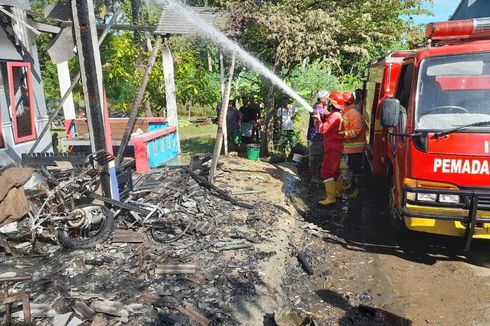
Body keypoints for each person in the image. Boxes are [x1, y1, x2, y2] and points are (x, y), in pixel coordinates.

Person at [312, 91, 345, 206]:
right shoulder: (338, 114)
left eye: (329, 101)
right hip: (337, 147)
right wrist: (323, 116)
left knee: (326, 172)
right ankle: (338, 192)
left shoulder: (335, 116)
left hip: (332, 147)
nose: (328, 103)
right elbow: (330, 117)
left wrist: (318, 120)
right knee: (335, 171)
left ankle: (330, 197)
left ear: (333, 104)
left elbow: (322, 130)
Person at [341, 91, 366, 199]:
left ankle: (357, 191)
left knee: (357, 171)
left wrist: (342, 135)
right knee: (352, 168)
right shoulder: (347, 112)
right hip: (350, 148)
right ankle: (352, 187)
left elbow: (356, 131)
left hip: (356, 148)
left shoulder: (353, 114)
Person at [307, 90, 329, 183]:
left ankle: (316, 175)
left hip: (316, 137)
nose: (328, 100)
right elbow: (327, 116)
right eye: (327, 98)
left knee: (317, 157)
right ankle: (314, 177)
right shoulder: (319, 109)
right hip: (315, 137)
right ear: (323, 100)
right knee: (315, 158)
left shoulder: (316, 107)